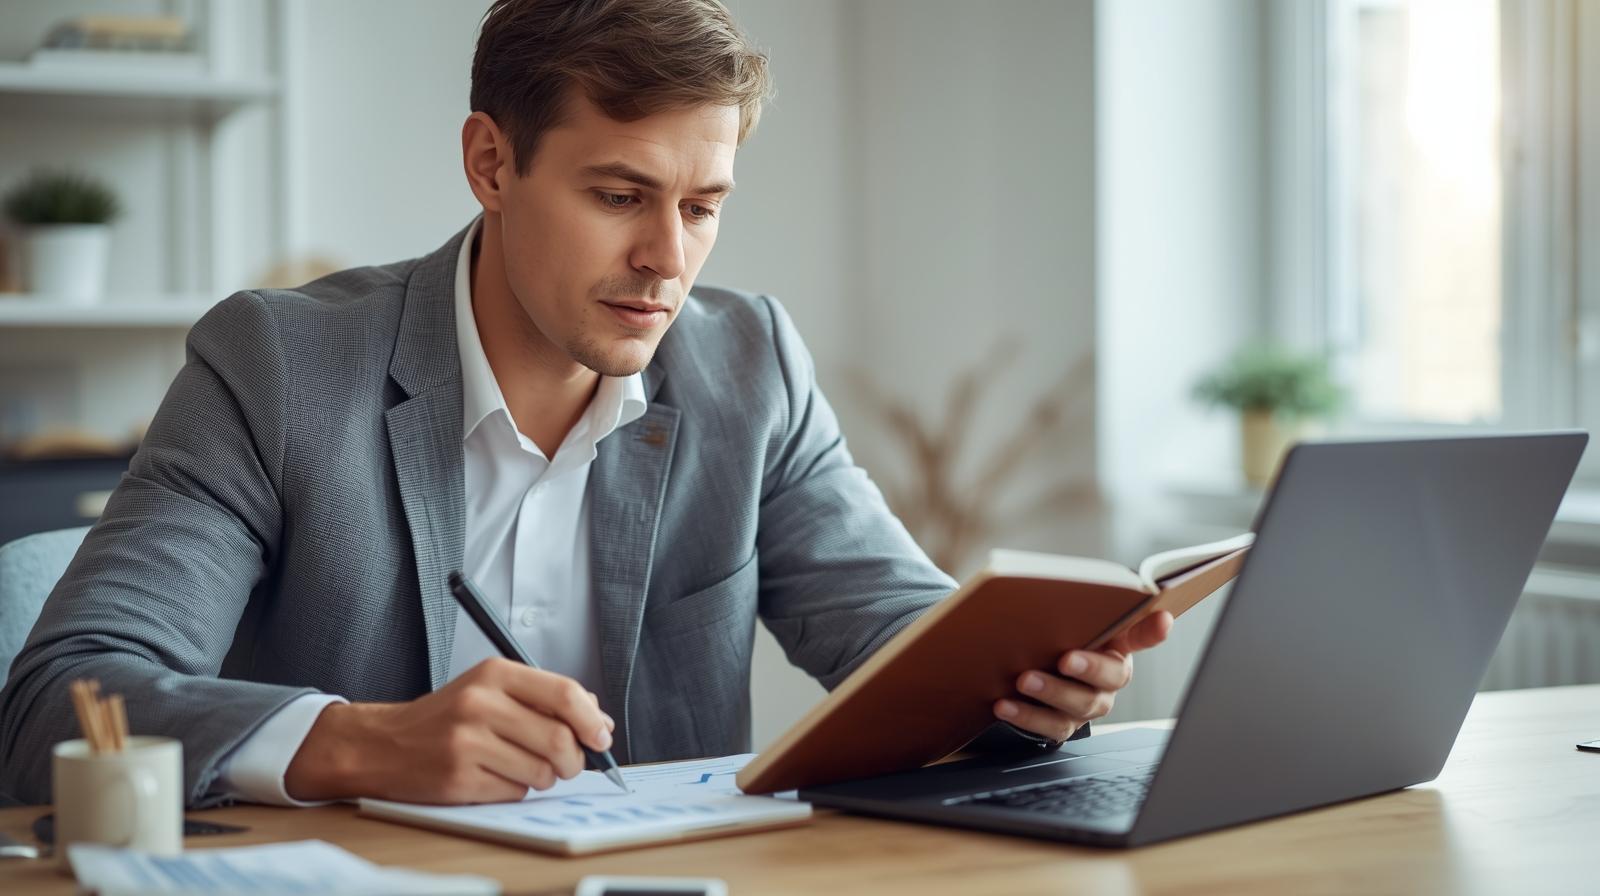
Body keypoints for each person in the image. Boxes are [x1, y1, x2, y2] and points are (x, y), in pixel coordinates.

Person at [0, 0, 1170, 808]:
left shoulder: (747, 362)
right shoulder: (278, 366)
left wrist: (1021, 684)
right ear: (492, 164)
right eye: (620, 194)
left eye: (703, 206)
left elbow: (895, 635)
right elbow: (61, 701)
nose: (668, 258)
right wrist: (362, 739)